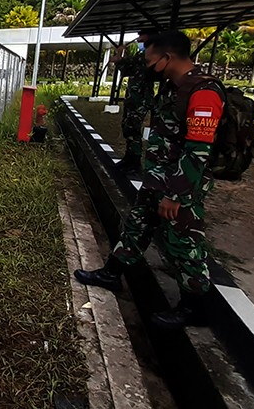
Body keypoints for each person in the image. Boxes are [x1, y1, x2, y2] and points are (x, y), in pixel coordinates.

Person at [74, 30, 225, 329]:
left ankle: (194, 307)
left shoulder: (203, 92)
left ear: (167, 57)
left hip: (179, 187)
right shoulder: (173, 87)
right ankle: (112, 273)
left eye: (149, 59)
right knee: (137, 226)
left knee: (184, 243)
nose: (146, 65)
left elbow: (198, 152)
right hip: (158, 179)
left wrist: (175, 195)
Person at [113, 29, 157, 173]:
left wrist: (120, 55)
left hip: (141, 98)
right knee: (128, 126)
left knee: (133, 128)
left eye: (141, 37)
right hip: (133, 97)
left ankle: (135, 161)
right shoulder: (141, 55)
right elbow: (126, 69)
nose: (138, 40)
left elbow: (125, 64)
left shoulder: (149, 56)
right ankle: (129, 158)